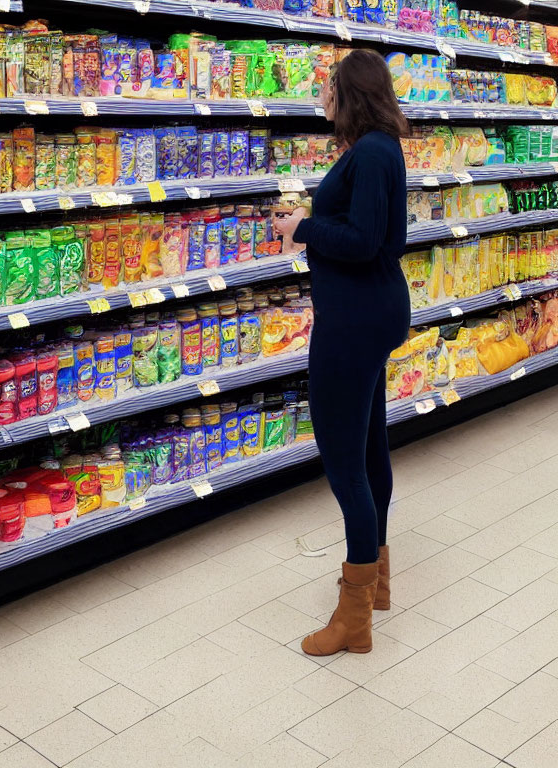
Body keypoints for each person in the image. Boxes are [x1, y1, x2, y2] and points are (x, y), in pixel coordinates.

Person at [275, 49, 411, 657]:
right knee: (370, 445)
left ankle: (353, 618)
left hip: (354, 321)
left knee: (344, 463)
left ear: (347, 91)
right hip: (370, 312)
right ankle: (376, 581)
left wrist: (302, 227)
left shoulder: (375, 152)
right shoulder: (373, 149)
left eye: (327, 86)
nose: (321, 96)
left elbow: (362, 241)